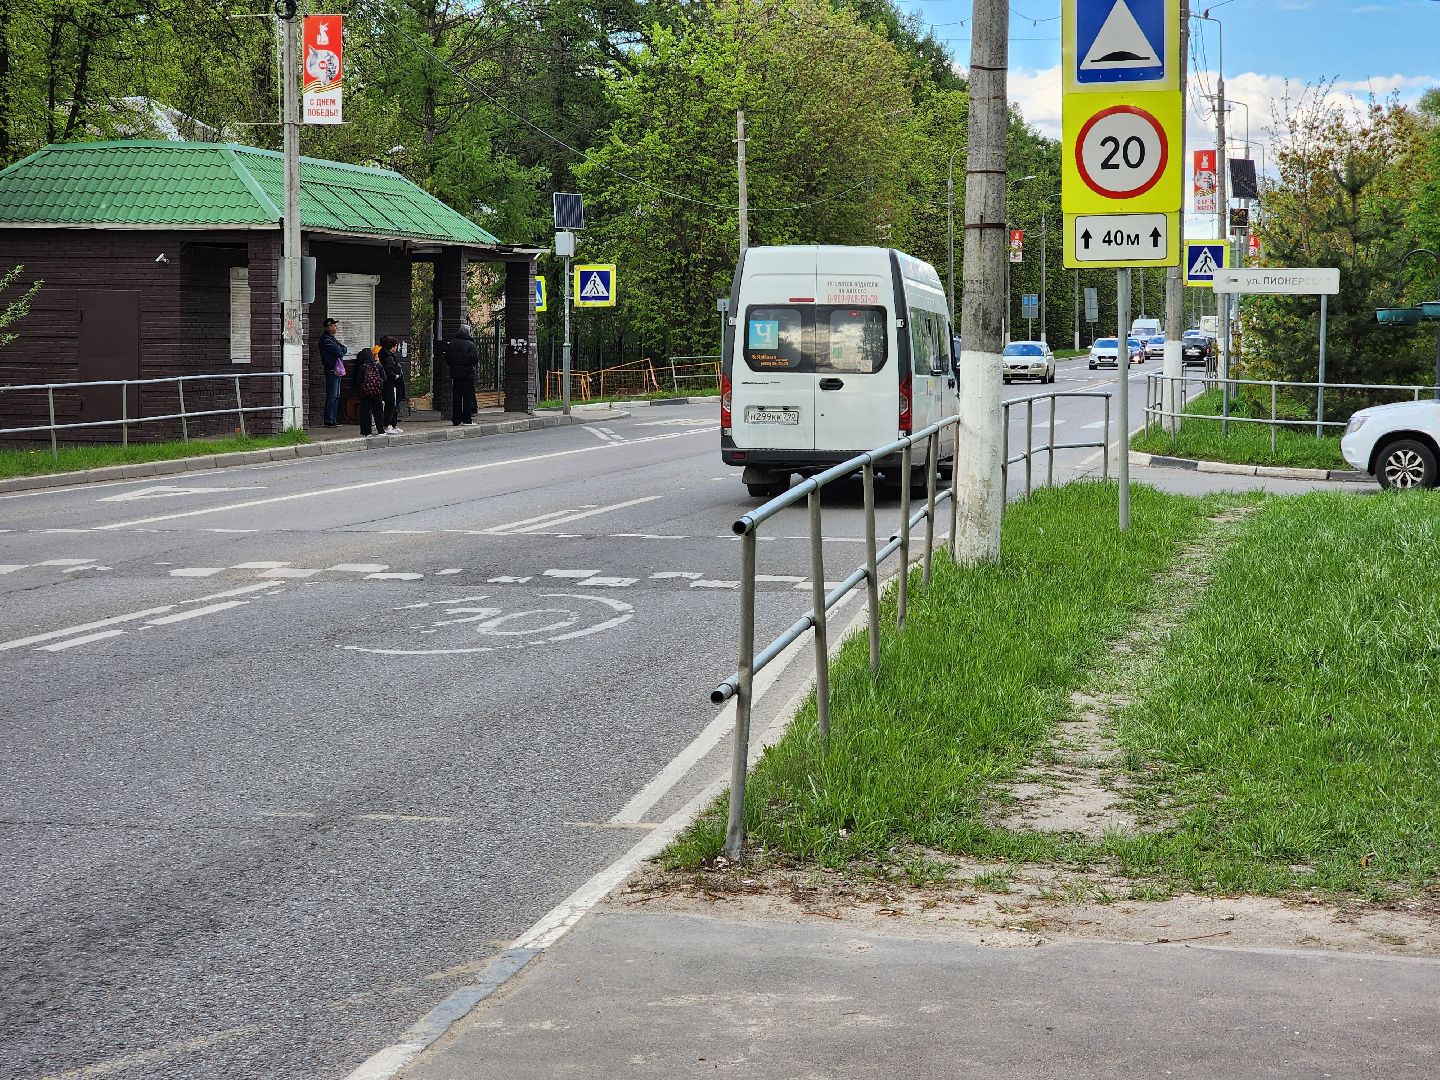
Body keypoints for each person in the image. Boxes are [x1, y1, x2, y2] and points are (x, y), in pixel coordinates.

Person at [445, 323, 480, 426]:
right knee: (467, 397)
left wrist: (454, 366)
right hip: (468, 374)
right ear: (468, 332)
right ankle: (467, 419)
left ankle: (456, 419)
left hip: (455, 374)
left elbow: (447, 358)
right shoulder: (471, 344)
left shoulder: (452, 343)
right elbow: (474, 359)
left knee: (457, 396)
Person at [352, 344, 386, 436]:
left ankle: (366, 432)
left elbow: (357, 380)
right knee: (378, 411)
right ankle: (381, 431)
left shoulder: (362, 367)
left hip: (364, 393)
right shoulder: (378, 366)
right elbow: (385, 378)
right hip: (377, 392)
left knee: (365, 412)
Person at [317, 317, 346, 427]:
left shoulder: (332, 338)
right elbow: (339, 351)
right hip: (331, 369)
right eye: (334, 325)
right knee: (332, 395)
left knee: (337, 395)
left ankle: (333, 419)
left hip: (336, 369)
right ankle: (329, 420)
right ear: (329, 327)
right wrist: (340, 350)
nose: (336, 327)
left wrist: (341, 350)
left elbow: (344, 349)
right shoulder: (326, 339)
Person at [379, 335, 406, 434]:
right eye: (395, 346)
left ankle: (394, 425)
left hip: (392, 384)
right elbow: (389, 372)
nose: (396, 348)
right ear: (391, 347)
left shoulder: (386, 355)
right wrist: (397, 376)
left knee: (394, 405)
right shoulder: (388, 358)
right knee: (391, 404)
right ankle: (387, 425)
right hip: (391, 384)